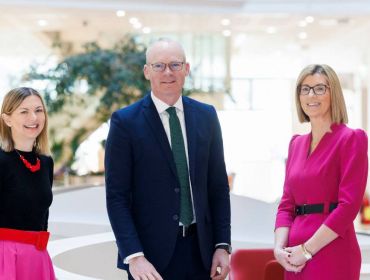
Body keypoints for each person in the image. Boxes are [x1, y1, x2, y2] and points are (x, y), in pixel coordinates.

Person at [105, 38, 231, 280]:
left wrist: (222, 245)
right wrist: (134, 256)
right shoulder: (125, 122)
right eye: (159, 66)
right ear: (146, 71)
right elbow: (117, 196)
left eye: (175, 65)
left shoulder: (207, 116)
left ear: (186, 69)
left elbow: (218, 187)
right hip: (149, 260)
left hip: (201, 253)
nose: (168, 72)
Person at [274, 64, 368, 279]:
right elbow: (286, 205)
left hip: (331, 252)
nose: (310, 95)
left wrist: (306, 251)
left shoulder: (352, 139)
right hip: (293, 257)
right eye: (304, 89)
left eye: (319, 88)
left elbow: (348, 207)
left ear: (333, 92)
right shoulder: (296, 144)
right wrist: (279, 248)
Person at [0, 87, 55, 279]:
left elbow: (42, 216)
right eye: (24, 111)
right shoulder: (1, 160)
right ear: (7, 119)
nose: (34, 117)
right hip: (5, 258)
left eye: (39, 110)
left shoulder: (46, 162)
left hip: (37, 256)